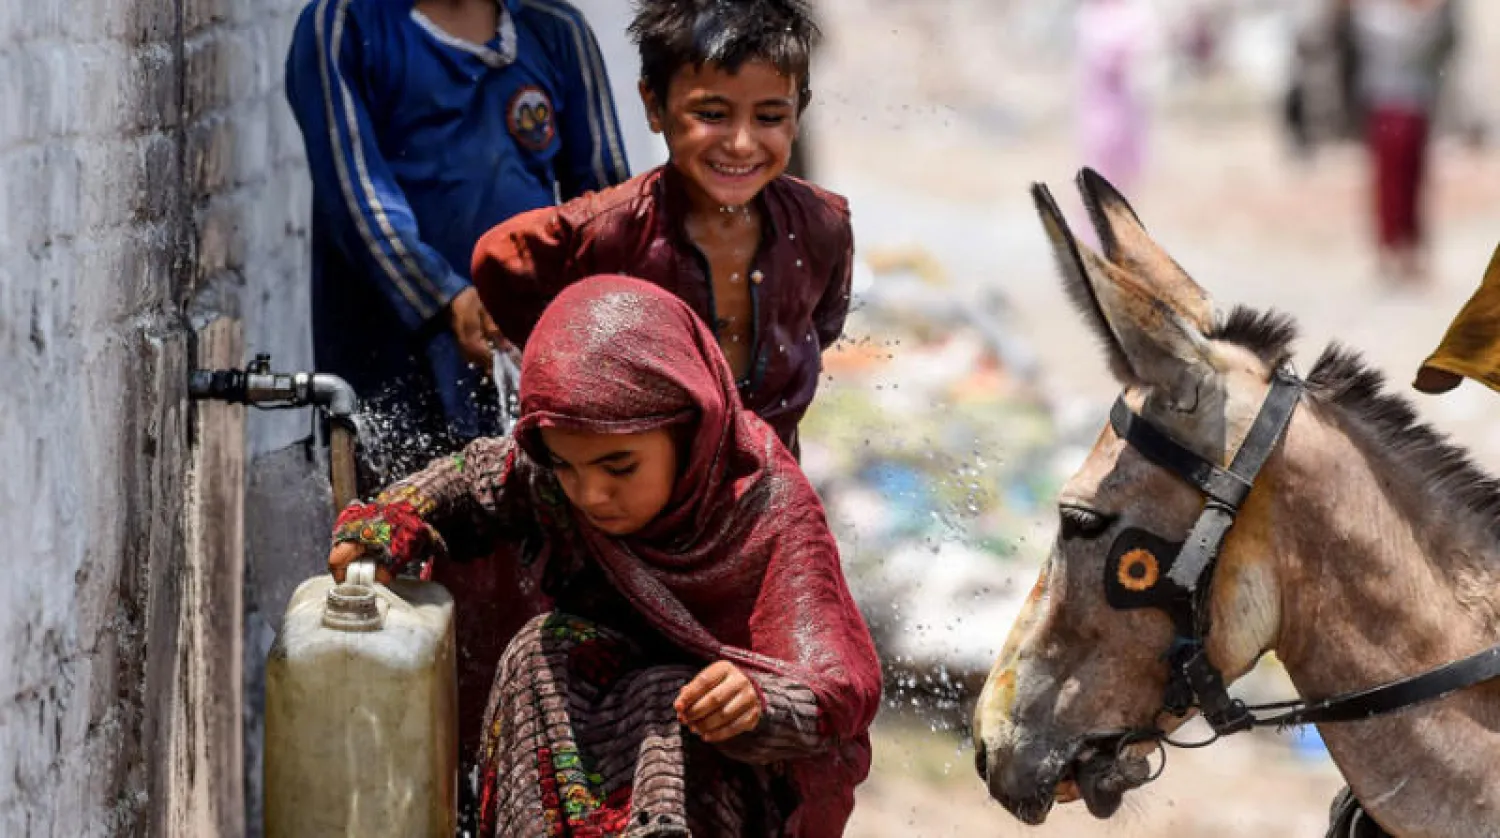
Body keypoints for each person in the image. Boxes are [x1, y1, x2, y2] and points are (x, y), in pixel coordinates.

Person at [326, 276, 882, 836]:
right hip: (577, 736)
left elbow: (837, 685)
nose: (590, 494)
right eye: (568, 467)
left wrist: (756, 701)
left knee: (667, 698)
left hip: (722, 783)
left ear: (691, 428)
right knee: (539, 653)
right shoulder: (549, 472)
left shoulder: (766, 506)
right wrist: (383, 525)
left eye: (620, 467)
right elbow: (467, 482)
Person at [470, 0, 852, 456]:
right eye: (712, 115)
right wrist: (561, 366)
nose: (741, 144)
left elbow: (821, 324)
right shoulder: (612, 229)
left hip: (764, 483)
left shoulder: (820, 226)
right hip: (639, 496)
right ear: (654, 106)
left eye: (769, 117)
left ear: (798, 112)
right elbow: (498, 259)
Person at [285, 0, 631, 468]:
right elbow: (356, 196)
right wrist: (448, 300)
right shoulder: (344, 24)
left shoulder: (555, 31)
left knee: (534, 508)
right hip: (392, 356)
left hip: (529, 342)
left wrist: (571, 317)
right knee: (398, 519)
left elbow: (608, 209)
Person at [1350, 0, 1457, 286]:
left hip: (1416, 105)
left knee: (1414, 181)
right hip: (1387, 104)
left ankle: (1411, 248)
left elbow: (1437, 43)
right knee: (1391, 183)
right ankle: (1391, 249)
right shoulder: (1377, 15)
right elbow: (1402, 46)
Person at [1074, 0, 1155, 195]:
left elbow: (1145, 52)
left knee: (1127, 176)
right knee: (1098, 171)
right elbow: (1099, 57)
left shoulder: (1136, 13)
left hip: (1128, 108)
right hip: (1100, 110)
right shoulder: (1090, 16)